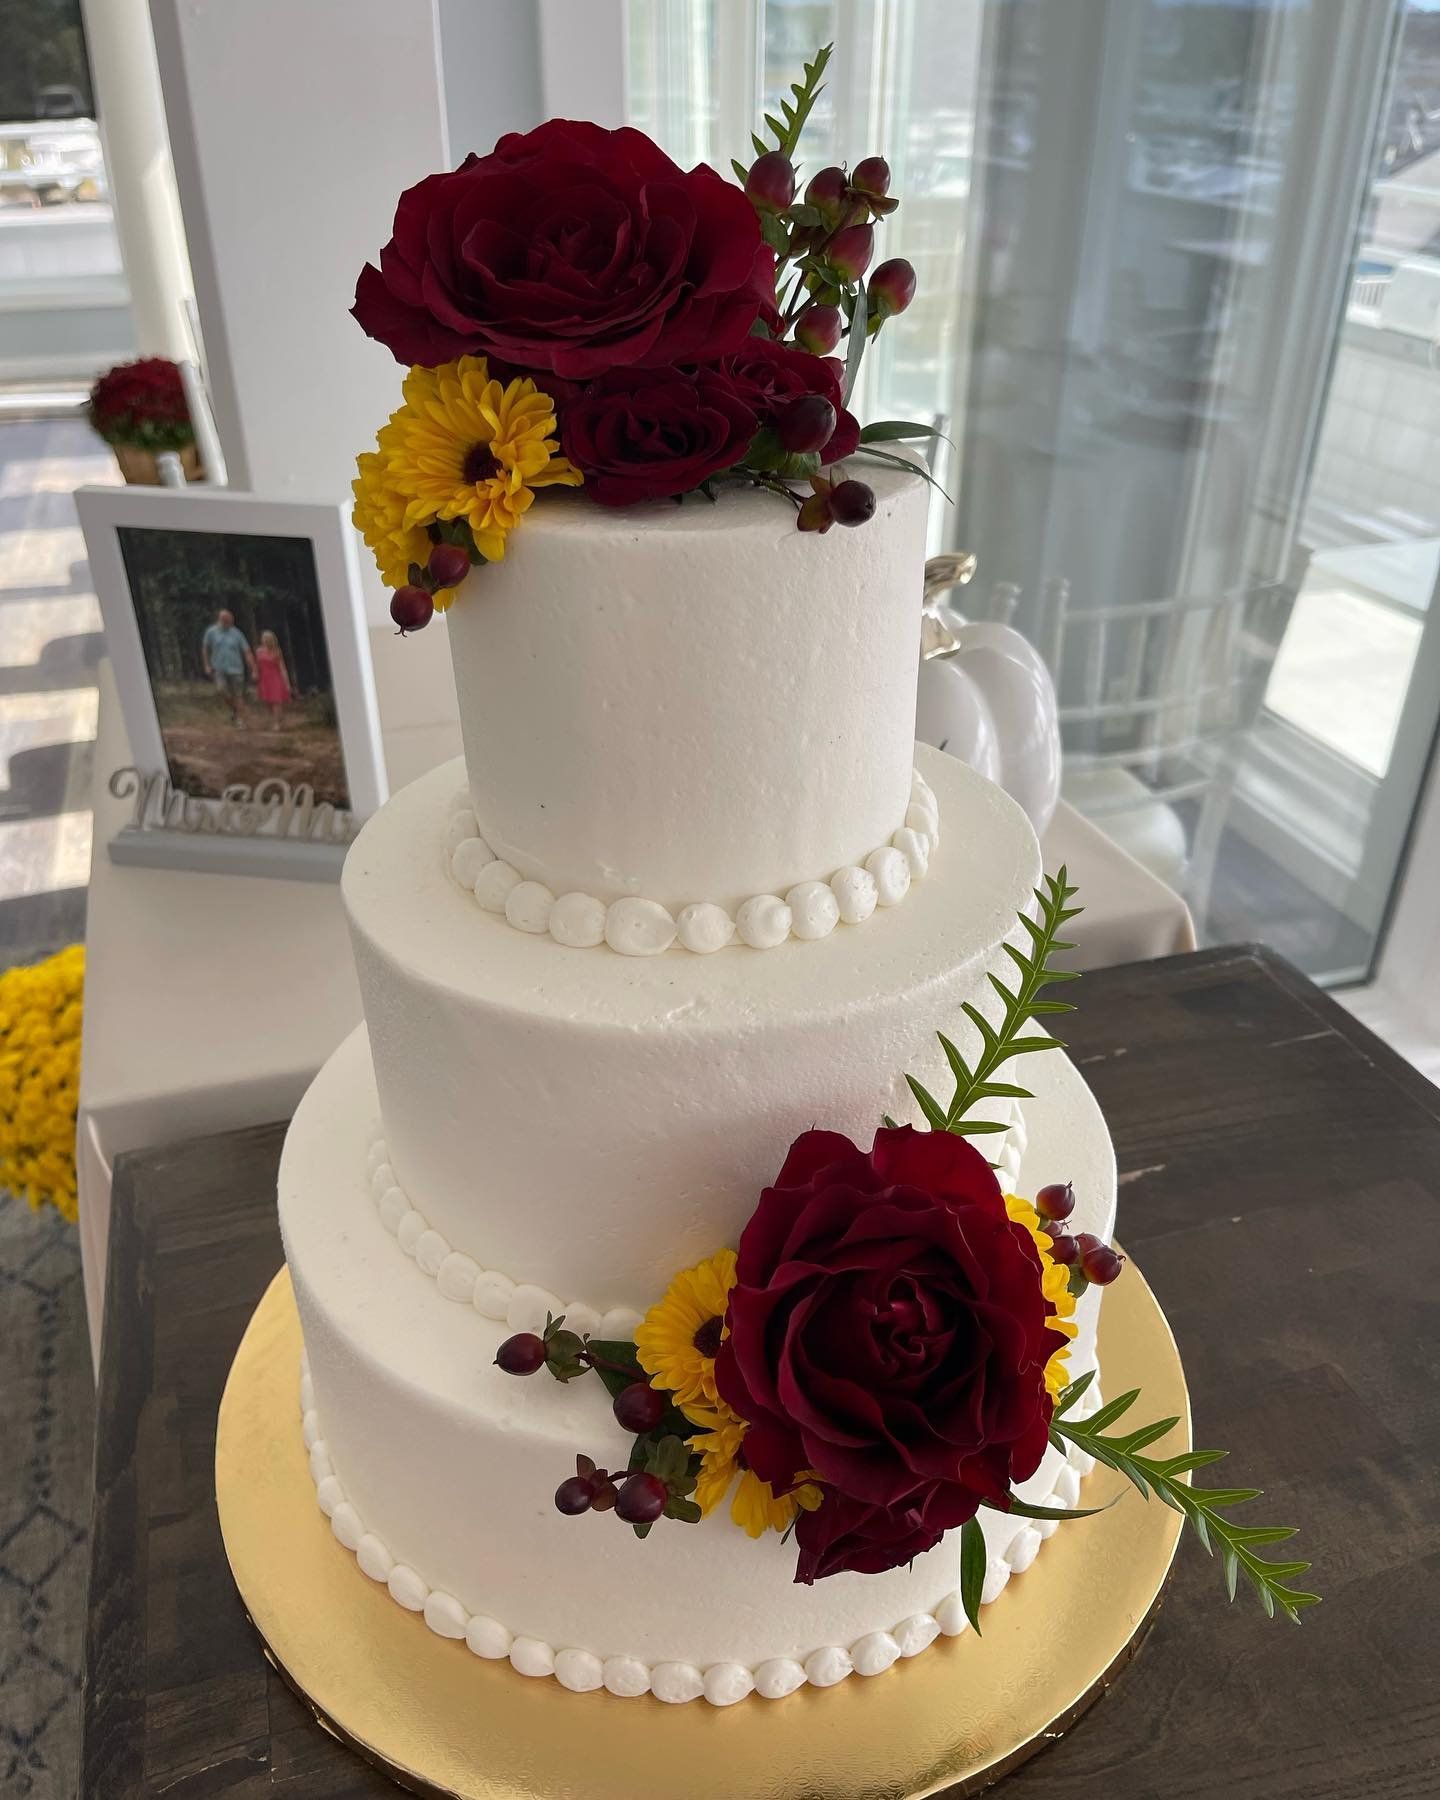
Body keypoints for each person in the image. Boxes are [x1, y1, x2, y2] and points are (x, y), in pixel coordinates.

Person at [201, 607, 256, 728]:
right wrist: (207, 665)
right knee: (221, 690)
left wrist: (253, 668)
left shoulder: (237, 633)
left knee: (238, 695)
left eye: (230, 621)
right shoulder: (211, 632)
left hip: (236, 669)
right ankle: (235, 710)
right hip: (219, 668)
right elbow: (205, 649)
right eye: (227, 621)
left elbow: (246, 651)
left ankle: (240, 720)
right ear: (221, 620)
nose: (229, 623)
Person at [254, 629, 293, 730]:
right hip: (264, 678)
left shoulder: (276, 651)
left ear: (271, 640)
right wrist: (255, 673)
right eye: (263, 638)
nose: (265, 640)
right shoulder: (259, 651)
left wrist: (287, 682)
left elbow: (282, 667)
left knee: (276, 701)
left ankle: (277, 723)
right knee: (267, 702)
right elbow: (257, 665)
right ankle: (279, 718)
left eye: (267, 638)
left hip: (275, 678)